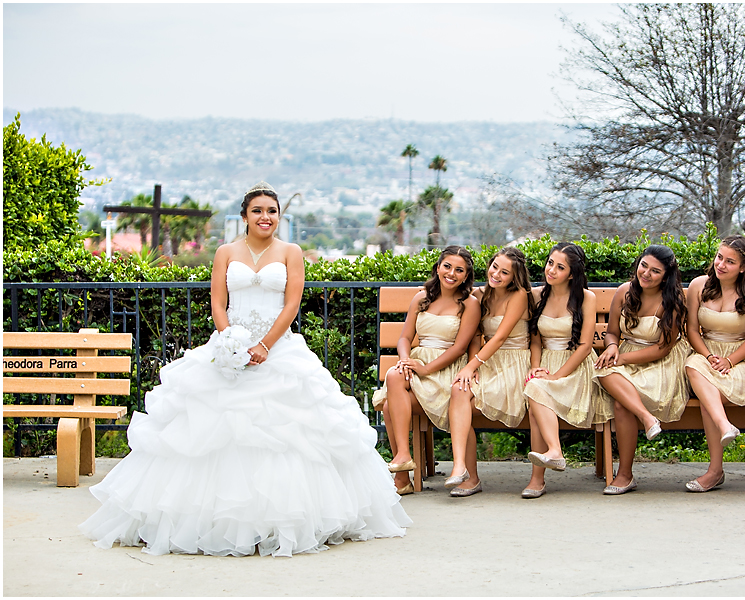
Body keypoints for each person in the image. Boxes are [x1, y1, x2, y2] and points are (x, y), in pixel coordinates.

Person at [80, 182, 410, 556]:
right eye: (258, 211)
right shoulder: (225, 251)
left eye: (272, 211)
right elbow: (218, 301)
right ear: (244, 216)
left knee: (287, 435)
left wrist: (265, 345)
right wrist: (230, 341)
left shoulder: (291, 252)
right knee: (207, 431)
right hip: (229, 349)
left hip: (277, 349)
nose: (265, 217)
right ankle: (210, 522)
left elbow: (292, 305)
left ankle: (280, 522)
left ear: (279, 216)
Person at [372, 246, 480, 496]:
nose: (451, 273)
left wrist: (426, 369)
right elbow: (405, 337)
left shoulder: (469, 303)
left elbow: (460, 347)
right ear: (438, 267)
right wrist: (405, 360)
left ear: (466, 275)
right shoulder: (421, 298)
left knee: (390, 405)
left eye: (459, 270)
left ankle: (402, 477)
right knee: (394, 374)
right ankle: (403, 455)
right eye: (447, 266)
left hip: (446, 368)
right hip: (417, 362)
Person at [594, 245, 692, 494]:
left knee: (621, 403)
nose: (646, 273)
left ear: (666, 276)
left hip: (660, 362)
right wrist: (613, 347)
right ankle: (648, 419)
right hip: (625, 353)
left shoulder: (673, 300)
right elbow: (613, 332)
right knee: (602, 370)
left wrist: (624, 360)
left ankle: (625, 474)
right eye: (643, 266)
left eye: (655, 271)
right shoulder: (624, 292)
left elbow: (663, 348)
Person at [445, 247, 534, 497]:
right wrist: (471, 366)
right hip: (487, 361)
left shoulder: (519, 296)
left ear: (514, 277)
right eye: (495, 267)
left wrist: (472, 365)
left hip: (513, 362)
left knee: (464, 408)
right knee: (459, 390)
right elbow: (476, 335)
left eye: (505, 272)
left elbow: (500, 337)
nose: (496, 274)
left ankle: (468, 474)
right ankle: (463, 469)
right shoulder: (480, 294)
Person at [683, 235, 745, 492]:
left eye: (730, 261)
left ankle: (715, 471)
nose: (721, 264)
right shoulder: (699, 285)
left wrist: (730, 360)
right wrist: (709, 356)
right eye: (719, 257)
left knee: (710, 393)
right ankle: (724, 427)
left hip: (741, 357)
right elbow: (692, 331)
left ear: (743, 267)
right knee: (693, 366)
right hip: (706, 352)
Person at [521, 242, 598, 498]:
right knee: (535, 389)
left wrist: (556, 376)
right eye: (550, 263)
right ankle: (546, 463)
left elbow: (585, 346)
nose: (551, 270)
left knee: (536, 393)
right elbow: (535, 340)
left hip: (574, 367)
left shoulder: (586, 298)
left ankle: (543, 468)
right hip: (545, 363)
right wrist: (535, 367)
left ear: (572, 274)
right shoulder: (537, 295)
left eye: (560, 267)